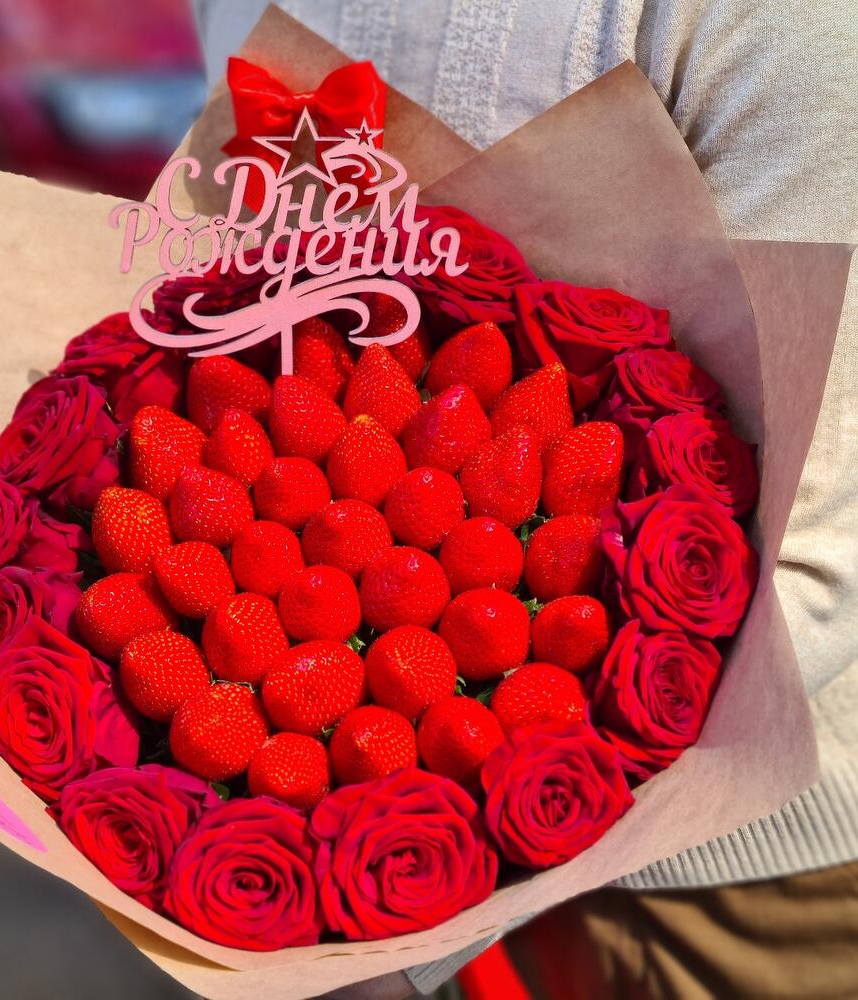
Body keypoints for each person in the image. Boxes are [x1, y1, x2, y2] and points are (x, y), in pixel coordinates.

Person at [192, 2, 858, 996]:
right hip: (367, 835)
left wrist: (388, 931)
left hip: (730, 882)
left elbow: (818, 551)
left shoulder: (768, 22)